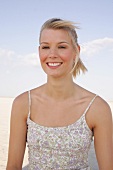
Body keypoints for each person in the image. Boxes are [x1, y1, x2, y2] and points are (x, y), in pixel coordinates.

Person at [6, 18, 113, 170]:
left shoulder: (97, 108)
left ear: (77, 51)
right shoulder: (23, 104)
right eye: (45, 47)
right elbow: (13, 166)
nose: (52, 54)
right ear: (39, 51)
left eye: (62, 47)